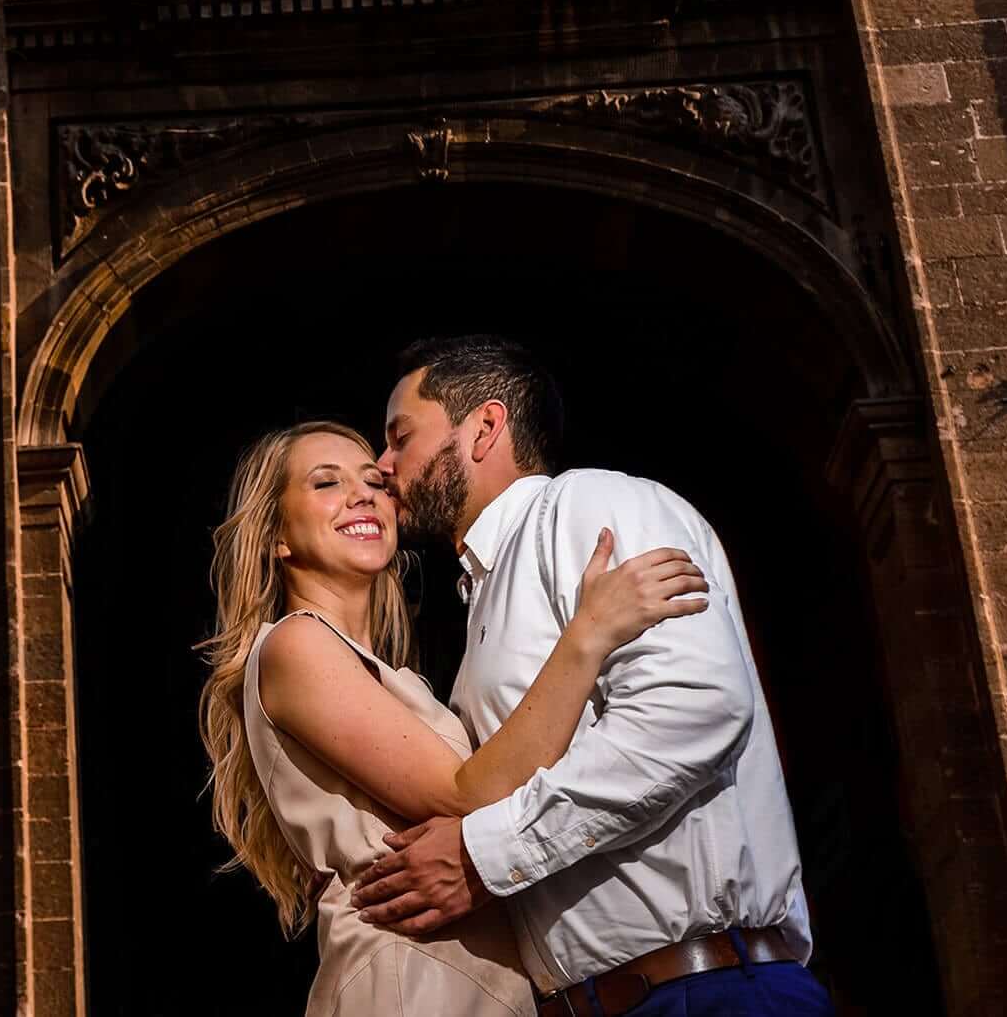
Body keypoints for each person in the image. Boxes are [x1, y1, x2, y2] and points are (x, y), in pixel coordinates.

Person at [355, 335, 833, 1016]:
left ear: (485, 426)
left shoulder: (588, 506)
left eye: (400, 436)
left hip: (705, 990)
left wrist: (485, 856)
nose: (383, 464)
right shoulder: (482, 600)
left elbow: (692, 708)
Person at [198, 419, 710, 1015]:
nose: (364, 493)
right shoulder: (295, 646)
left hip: (474, 976)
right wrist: (590, 632)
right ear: (276, 537)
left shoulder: (394, 677)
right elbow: (467, 795)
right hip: (411, 977)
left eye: (373, 481)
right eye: (325, 484)